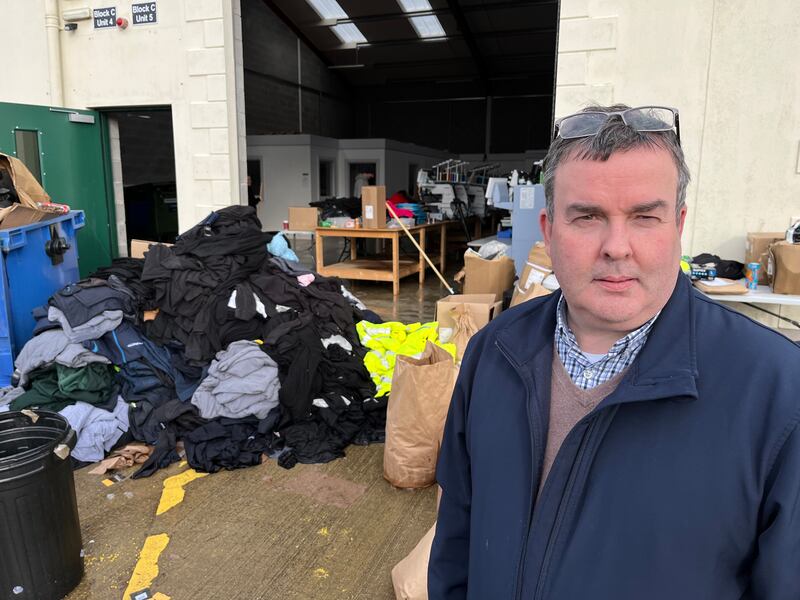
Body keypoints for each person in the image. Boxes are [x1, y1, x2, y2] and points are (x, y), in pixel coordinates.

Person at [428, 104, 800, 599]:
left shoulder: (778, 393)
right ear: (549, 228)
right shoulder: (493, 353)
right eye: (588, 217)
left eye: (645, 217)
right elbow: (458, 534)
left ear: (678, 225)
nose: (617, 247)